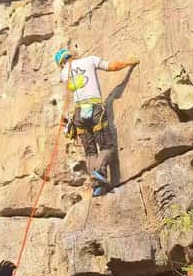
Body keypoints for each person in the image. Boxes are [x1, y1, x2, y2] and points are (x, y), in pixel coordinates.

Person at [55, 47, 139, 196]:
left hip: (79, 113)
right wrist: (129, 62)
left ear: (61, 64)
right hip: (95, 109)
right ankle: (99, 173)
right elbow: (112, 66)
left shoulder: (63, 74)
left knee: (90, 152)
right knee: (108, 146)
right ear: (72, 55)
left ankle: (97, 185)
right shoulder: (89, 60)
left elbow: (71, 84)